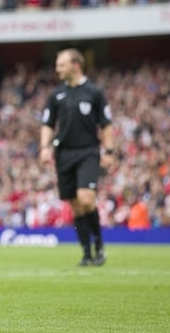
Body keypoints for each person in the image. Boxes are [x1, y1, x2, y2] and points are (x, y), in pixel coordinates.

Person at [39, 48, 114, 266]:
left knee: (86, 199)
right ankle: (86, 253)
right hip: (64, 154)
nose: (57, 69)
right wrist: (45, 147)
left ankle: (99, 244)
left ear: (75, 65)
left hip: (88, 151)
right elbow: (47, 124)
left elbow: (106, 125)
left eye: (61, 65)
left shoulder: (94, 92)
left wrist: (108, 151)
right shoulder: (56, 95)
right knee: (75, 206)